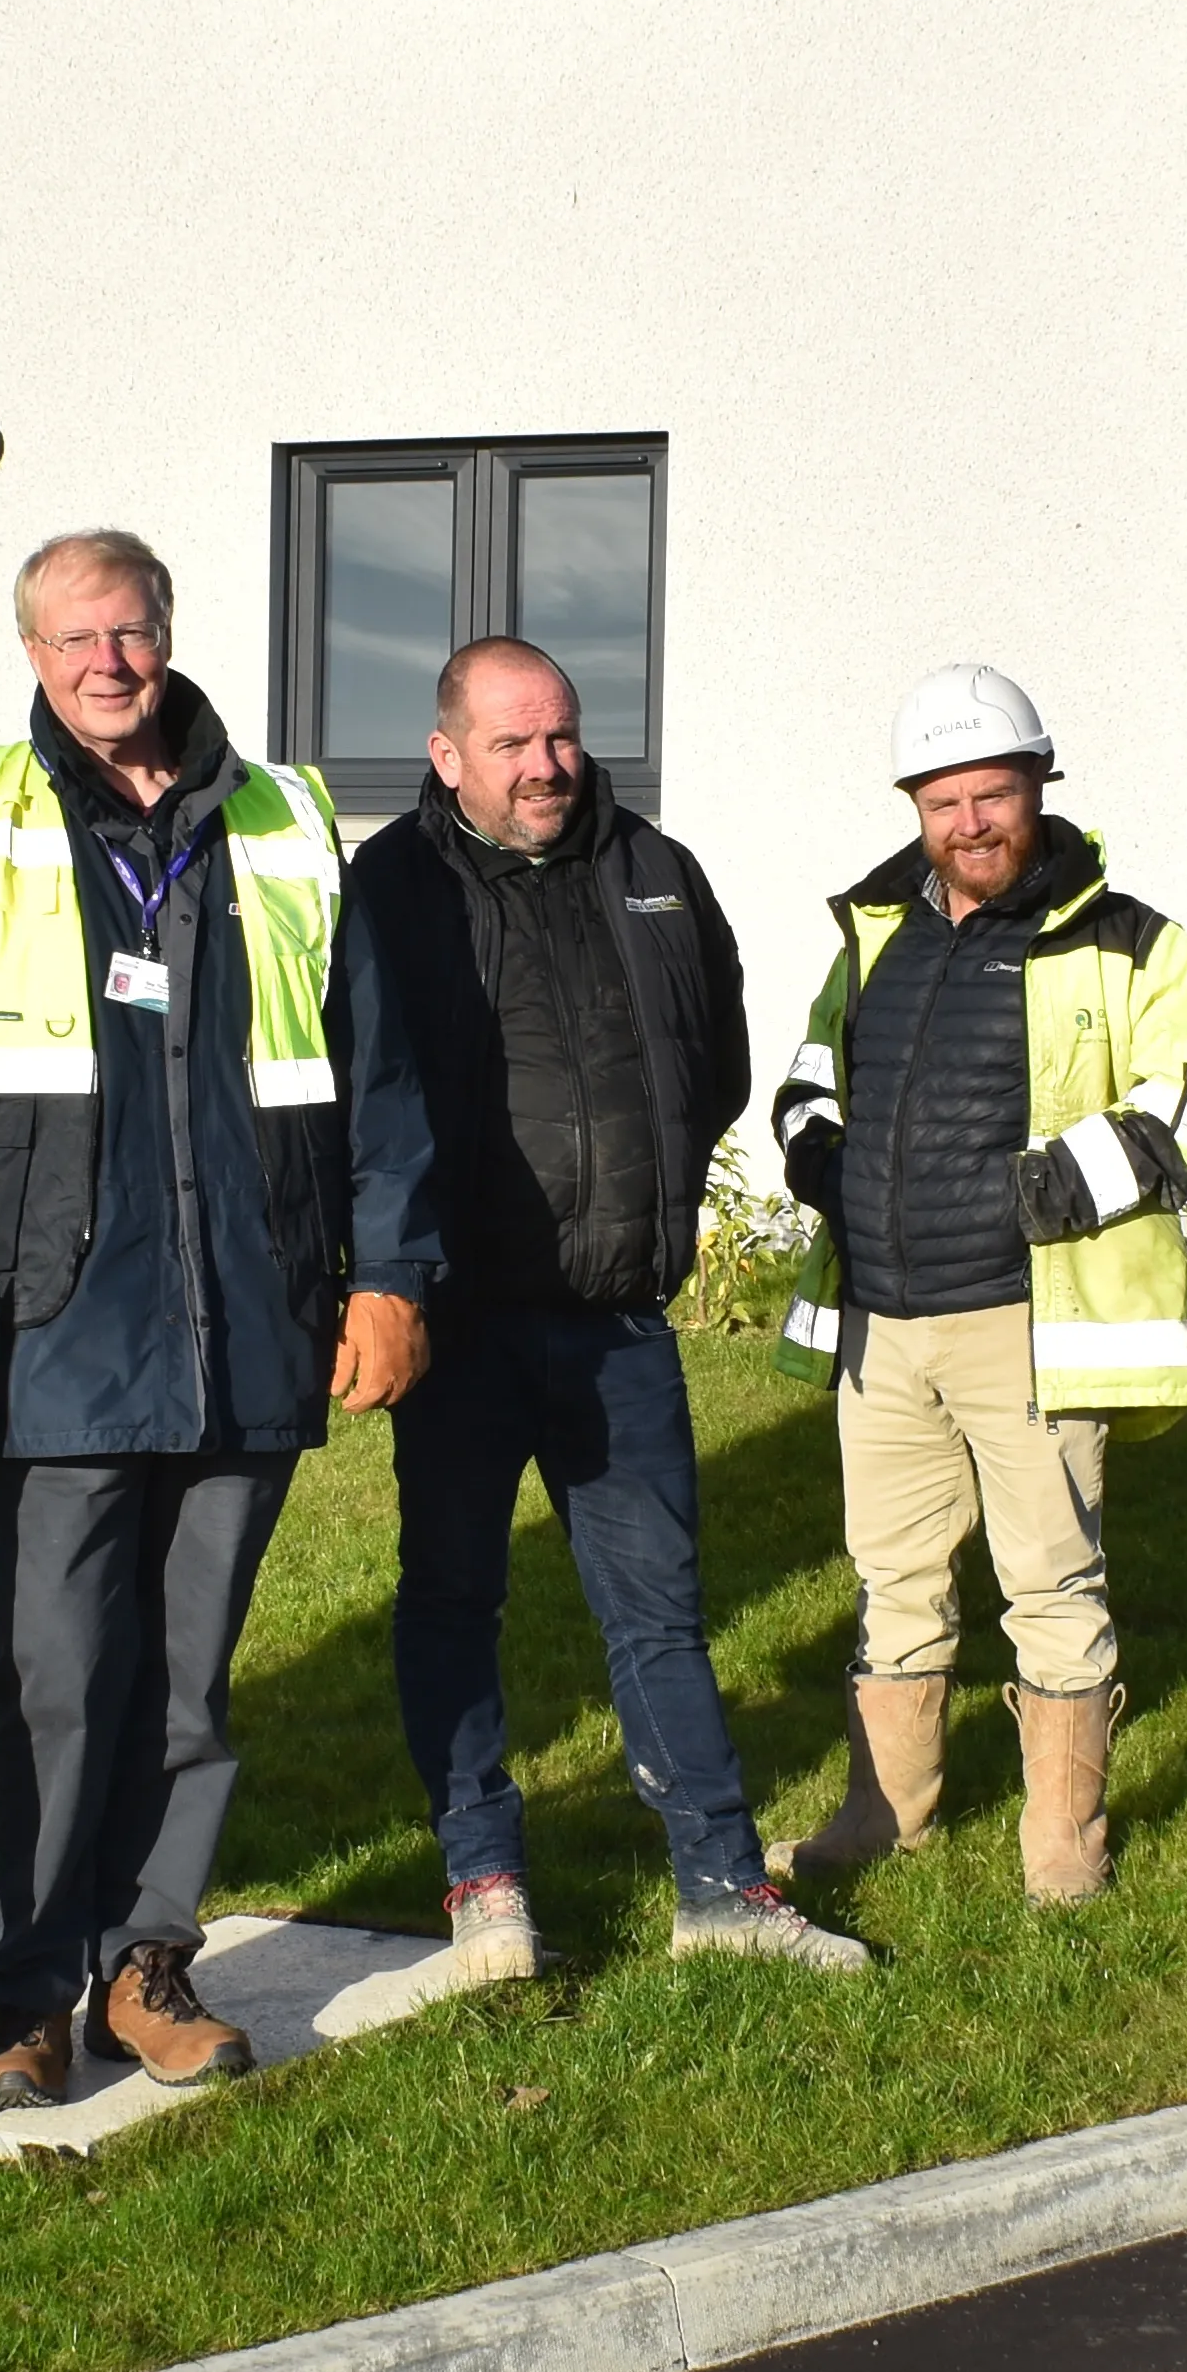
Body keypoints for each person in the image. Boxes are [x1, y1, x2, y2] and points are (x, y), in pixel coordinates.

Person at [0, 529, 442, 2112]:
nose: (106, 662)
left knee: (195, 1678)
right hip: (59, 1320)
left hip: (255, 1317)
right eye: (74, 637)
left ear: (167, 633)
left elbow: (379, 1075)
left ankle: (149, 1964)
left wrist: (389, 1272)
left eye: (130, 631)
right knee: (60, 1673)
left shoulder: (283, 820)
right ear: (30, 652)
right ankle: (26, 1992)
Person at [347, 639, 865, 1981]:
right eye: (513, 743)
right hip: (457, 1325)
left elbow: (715, 1057)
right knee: (453, 1596)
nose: (548, 766)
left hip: (615, 1320)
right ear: (446, 753)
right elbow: (350, 1092)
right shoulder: (387, 889)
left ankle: (719, 1886)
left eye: (563, 737)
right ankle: (485, 1879)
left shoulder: (654, 872)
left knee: (659, 1611)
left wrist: (646, 1207)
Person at [764, 664, 1187, 1907]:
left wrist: (1040, 1196)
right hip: (884, 1325)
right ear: (915, 806)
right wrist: (823, 1158)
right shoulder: (874, 936)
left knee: (1051, 1582)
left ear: (1040, 787)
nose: (971, 823)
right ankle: (884, 1814)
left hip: (1031, 1326)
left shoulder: (1130, 937)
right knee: (892, 1578)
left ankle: (1061, 1842)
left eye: (995, 794)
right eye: (944, 800)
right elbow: (812, 1073)